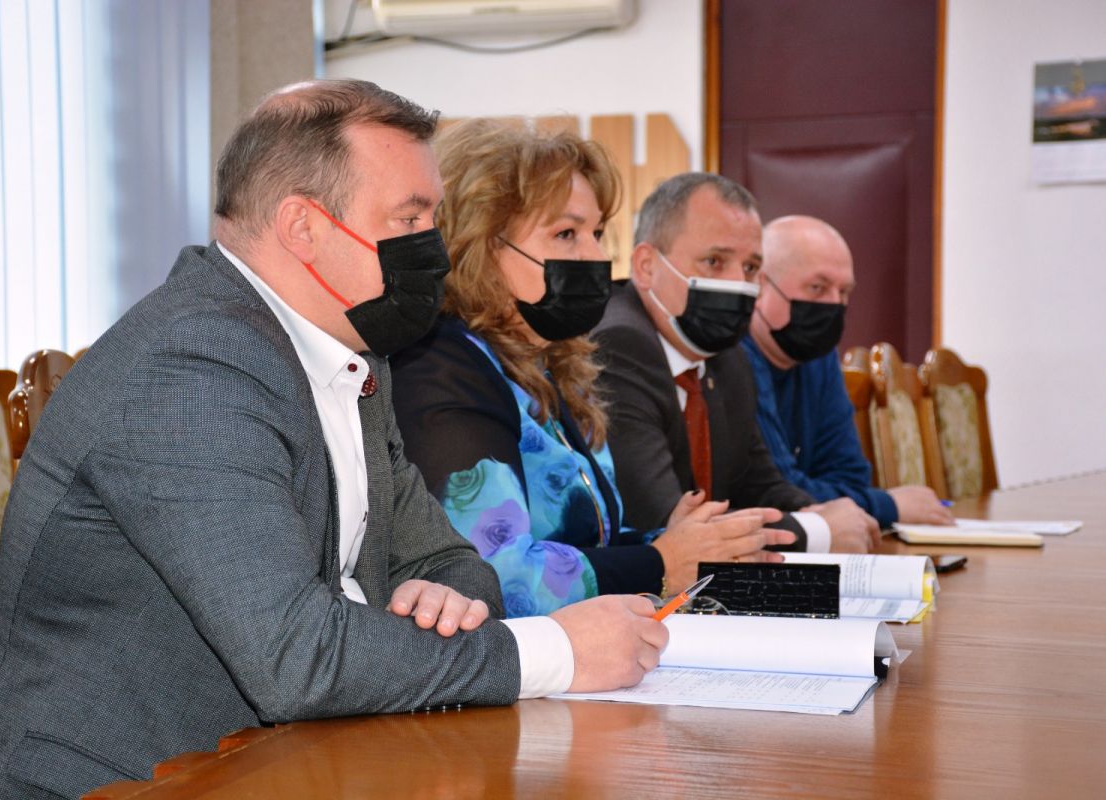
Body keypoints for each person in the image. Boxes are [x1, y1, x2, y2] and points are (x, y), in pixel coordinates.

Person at [0, 80, 666, 799]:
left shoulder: (352, 351)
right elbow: (296, 657)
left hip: (286, 757)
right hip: (123, 780)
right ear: (302, 227)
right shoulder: (190, 366)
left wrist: (445, 602)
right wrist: (556, 650)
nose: (433, 247)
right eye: (409, 217)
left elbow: (451, 560)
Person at [389, 119, 795, 617]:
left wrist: (682, 542)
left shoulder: (545, 363)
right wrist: (660, 561)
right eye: (567, 233)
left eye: (597, 233)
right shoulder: (440, 368)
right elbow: (489, 575)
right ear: (482, 244)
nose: (598, 256)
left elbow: (586, 541)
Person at [592, 173, 880, 554]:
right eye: (714, 261)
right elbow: (664, 522)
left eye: (750, 268)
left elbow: (759, 485)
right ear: (646, 266)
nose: (737, 284)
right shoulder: (618, 344)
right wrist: (818, 531)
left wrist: (821, 513)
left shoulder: (728, 357)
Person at [743, 215, 953, 528]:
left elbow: (851, 476)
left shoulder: (819, 356)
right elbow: (777, 492)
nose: (833, 305)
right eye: (817, 288)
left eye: (843, 292)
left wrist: (845, 503)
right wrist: (888, 505)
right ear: (760, 285)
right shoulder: (734, 357)